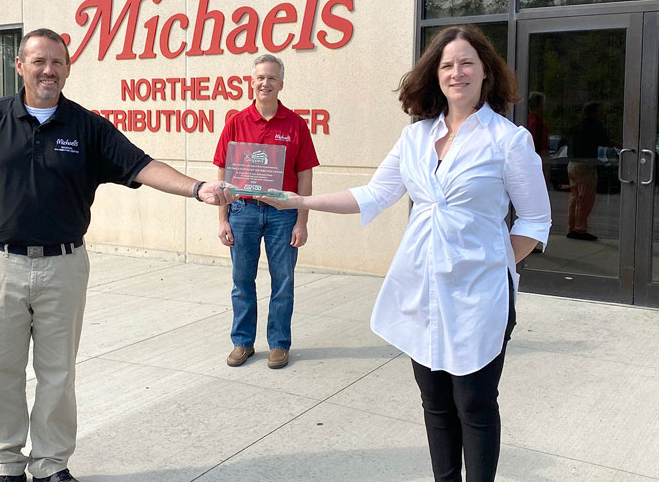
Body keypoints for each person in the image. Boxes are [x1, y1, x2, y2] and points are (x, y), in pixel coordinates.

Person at [262, 25, 550, 481]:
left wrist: (494, 265)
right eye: (447, 65)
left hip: (480, 296)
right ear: (435, 75)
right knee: (434, 403)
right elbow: (374, 194)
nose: (457, 72)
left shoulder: (508, 140)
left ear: (486, 72)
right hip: (421, 291)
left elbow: (534, 220)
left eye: (467, 63)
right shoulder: (415, 138)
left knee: (474, 404)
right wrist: (301, 201)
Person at [0, 28, 233, 482]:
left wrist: (197, 188)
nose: (49, 70)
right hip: (0, 264)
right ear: (19, 66)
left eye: (57, 62)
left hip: (64, 266)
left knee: (57, 371)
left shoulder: (86, 127)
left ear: (68, 68)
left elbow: (142, 165)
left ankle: (51, 464)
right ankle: (5, 463)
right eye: (39, 61)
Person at [213, 54, 319, 369]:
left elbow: (305, 177)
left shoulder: (296, 125)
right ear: (252, 82)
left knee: (283, 281)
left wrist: (301, 221)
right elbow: (223, 172)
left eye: (272, 78)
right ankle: (243, 342)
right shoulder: (236, 122)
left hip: (282, 215)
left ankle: (279, 344)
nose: (265, 83)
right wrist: (222, 219)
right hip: (242, 212)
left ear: (281, 84)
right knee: (241, 281)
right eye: (260, 77)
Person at [565, 101, 611, 241]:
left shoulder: (576, 125)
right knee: (585, 198)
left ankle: (572, 227)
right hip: (585, 165)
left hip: (572, 164)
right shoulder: (594, 126)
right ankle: (580, 229)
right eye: (599, 112)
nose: (600, 114)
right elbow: (605, 141)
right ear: (594, 112)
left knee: (575, 198)